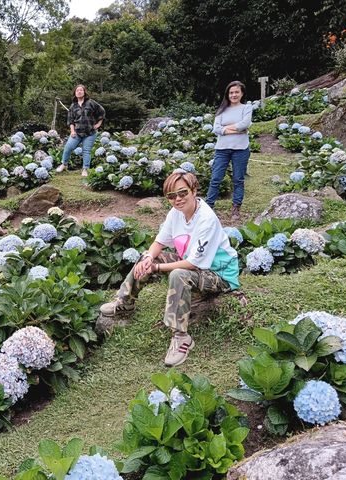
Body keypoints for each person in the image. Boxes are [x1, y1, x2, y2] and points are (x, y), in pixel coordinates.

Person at [100, 171, 240, 367]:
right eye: (171, 196)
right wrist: (149, 259)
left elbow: (193, 264)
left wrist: (156, 268)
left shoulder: (206, 218)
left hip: (220, 274)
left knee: (179, 274)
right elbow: (159, 241)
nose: (177, 199)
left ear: (194, 190)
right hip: (193, 264)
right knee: (147, 257)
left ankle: (181, 337)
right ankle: (125, 300)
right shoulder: (176, 213)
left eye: (182, 193)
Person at [205, 80, 253, 221]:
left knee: (238, 179)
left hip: (241, 149)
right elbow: (216, 129)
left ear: (242, 93)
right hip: (222, 149)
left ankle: (236, 209)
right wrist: (237, 129)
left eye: (236, 92)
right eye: (231, 92)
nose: (234, 95)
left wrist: (225, 129)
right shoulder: (221, 109)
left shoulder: (247, 108)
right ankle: (209, 207)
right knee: (215, 179)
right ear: (227, 94)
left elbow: (245, 124)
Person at [55, 84, 105, 177]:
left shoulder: (91, 103)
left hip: (90, 133)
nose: (79, 91)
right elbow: (70, 120)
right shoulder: (73, 106)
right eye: (77, 90)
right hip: (77, 133)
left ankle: (85, 169)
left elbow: (102, 111)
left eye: (81, 90)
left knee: (86, 151)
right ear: (75, 93)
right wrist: (72, 131)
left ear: (84, 92)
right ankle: (64, 164)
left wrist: (98, 124)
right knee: (68, 147)